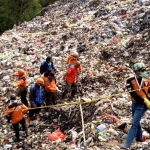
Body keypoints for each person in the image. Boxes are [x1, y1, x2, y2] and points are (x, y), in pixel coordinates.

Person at [120, 63, 150, 149]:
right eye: (142, 70)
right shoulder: (130, 81)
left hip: (143, 105)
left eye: (144, 70)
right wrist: (144, 99)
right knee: (136, 121)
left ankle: (126, 144)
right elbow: (132, 92)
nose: (144, 72)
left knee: (134, 123)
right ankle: (139, 138)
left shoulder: (147, 81)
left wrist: (147, 101)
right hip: (135, 103)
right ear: (136, 71)